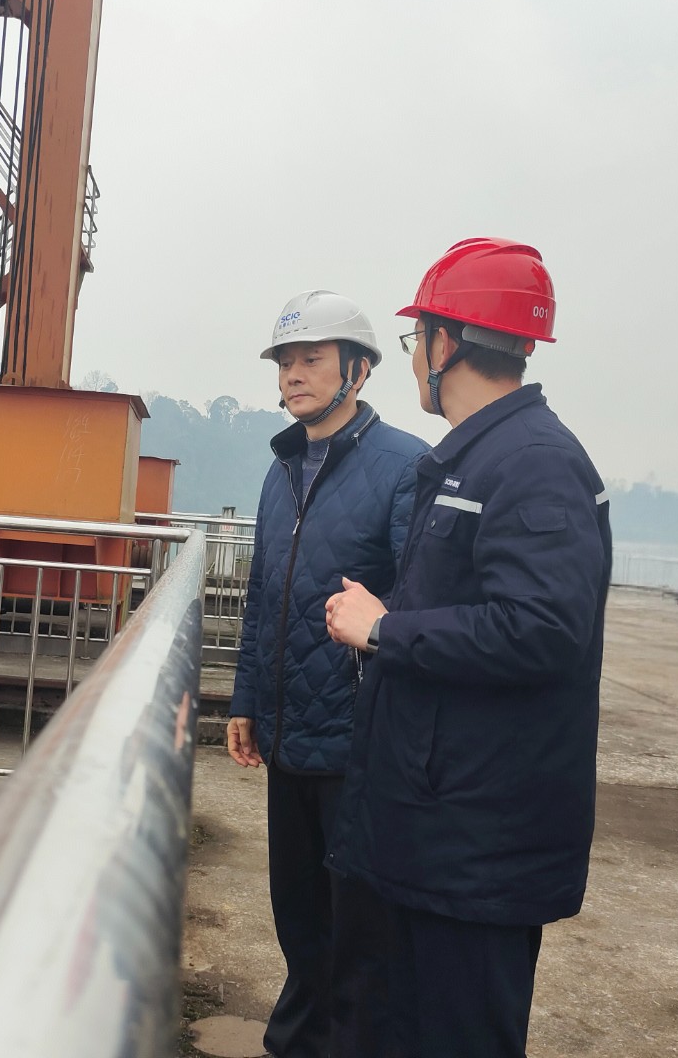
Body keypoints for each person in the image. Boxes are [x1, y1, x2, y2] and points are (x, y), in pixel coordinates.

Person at [324, 238, 612, 1057]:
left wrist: (386, 629)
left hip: (475, 850)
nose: (416, 357)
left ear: (443, 342)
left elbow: (544, 627)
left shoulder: (533, 463)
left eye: (416, 339)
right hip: (431, 831)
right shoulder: (480, 457)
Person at [227, 289, 428, 1058]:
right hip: (288, 735)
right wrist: (246, 700)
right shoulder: (281, 470)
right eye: (285, 361)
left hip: (356, 744)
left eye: (312, 359)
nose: (293, 375)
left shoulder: (404, 466)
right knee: (299, 916)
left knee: (359, 928)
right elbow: (262, 596)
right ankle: (300, 1041)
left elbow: (419, 600)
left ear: (360, 370)